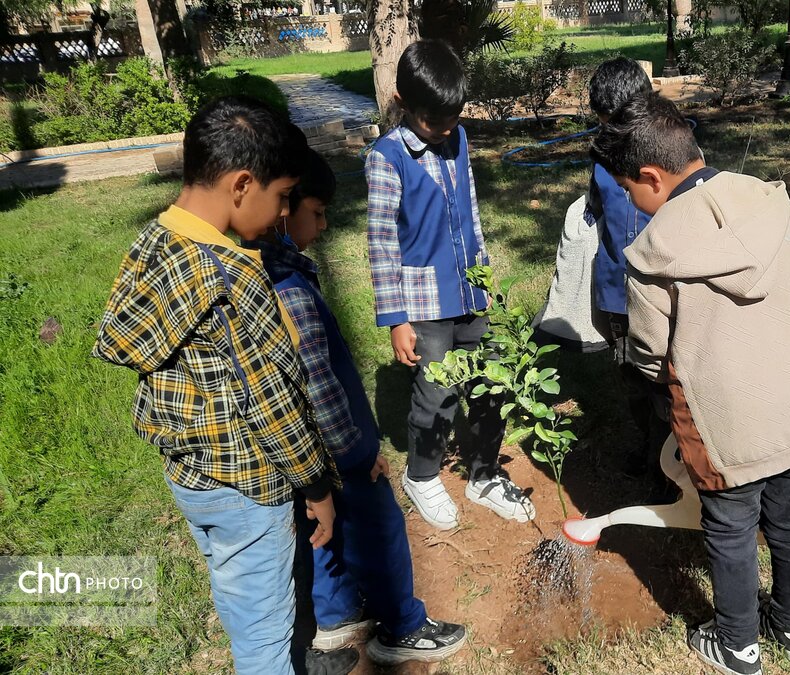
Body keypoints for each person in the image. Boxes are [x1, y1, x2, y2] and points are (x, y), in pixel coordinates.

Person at [92, 96, 356, 675]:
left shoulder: (154, 242)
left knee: (237, 592)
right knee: (263, 629)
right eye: (282, 196)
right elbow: (275, 404)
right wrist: (317, 489)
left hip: (190, 474)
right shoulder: (237, 277)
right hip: (248, 484)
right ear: (242, 185)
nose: (282, 210)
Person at [591, 93, 790, 675]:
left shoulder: (654, 253)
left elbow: (653, 354)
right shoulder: (777, 205)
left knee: (730, 530)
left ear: (651, 177)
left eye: (630, 190)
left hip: (728, 424)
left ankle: (738, 646)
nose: (632, 202)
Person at [246, 147, 469, 666]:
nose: (323, 225)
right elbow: (319, 385)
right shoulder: (289, 287)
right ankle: (403, 626)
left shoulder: (268, 269)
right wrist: (356, 452)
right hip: (339, 444)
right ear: (284, 208)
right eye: (316, 212)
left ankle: (337, 614)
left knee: (322, 527)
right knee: (381, 524)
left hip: (300, 451)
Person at [367, 40, 535, 530]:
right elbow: (380, 244)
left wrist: (484, 275)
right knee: (437, 393)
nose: (444, 130)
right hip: (425, 300)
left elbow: (472, 213)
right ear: (402, 101)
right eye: (433, 121)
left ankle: (484, 474)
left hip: (471, 292)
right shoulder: (387, 158)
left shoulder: (457, 140)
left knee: (489, 381)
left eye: (452, 119)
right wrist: (397, 319)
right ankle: (421, 476)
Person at [586, 57, 673, 480]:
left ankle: (673, 456)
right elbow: (594, 209)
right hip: (617, 291)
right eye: (605, 125)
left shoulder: (673, 151)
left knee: (668, 381)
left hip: (663, 291)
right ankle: (651, 446)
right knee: (632, 375)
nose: (612, 134)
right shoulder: (601, 159)